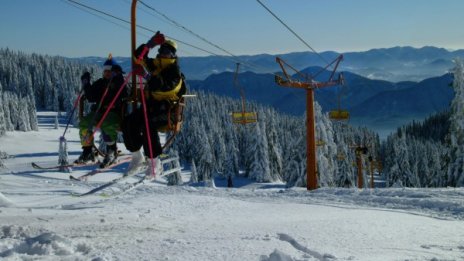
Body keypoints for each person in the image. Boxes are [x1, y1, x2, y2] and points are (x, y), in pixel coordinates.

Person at [122, 32, 186, 176]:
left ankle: (154, 162)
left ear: (173, 55)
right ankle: (137, 157)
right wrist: (150, 44)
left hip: (167, 111)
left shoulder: (174, 71)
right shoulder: (156, 65)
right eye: (162, 50)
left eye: (167, 52)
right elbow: (138, 57)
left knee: (147, 124)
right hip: (151, 108)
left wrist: (146, 76)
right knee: (128, 122)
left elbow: (165, 87)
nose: (164, 54)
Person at [75, 56, 130, 168]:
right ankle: (87, 151)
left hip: (114, 112)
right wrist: (86, 84)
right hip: (98, 112)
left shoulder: (120, 82)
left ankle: (111, 150)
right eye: (105, 71)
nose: (107, 73)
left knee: (107, 124)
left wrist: (118, 78)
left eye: (110, 71)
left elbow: (125, 93)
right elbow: (91, 97)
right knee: (84, 123)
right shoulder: (100, 83)